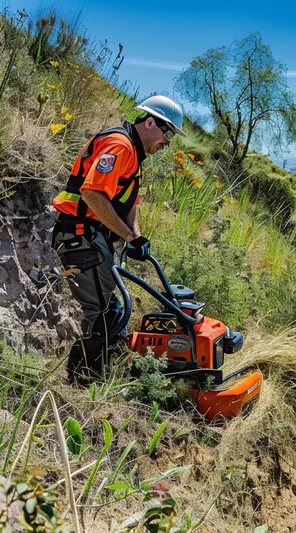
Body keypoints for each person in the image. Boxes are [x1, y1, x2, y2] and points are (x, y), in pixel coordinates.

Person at [51, 95, 185, 384]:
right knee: (104, 313)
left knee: (112, 310)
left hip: (91, 235)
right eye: (168, 132)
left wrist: (135, 237)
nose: (168, 142)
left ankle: (110, 374)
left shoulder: (134, 156)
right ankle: (83, 381)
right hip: (79, 233)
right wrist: (126, 235)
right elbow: (92, 194)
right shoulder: (120, 146)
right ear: (150, 122)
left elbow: (130, 202)